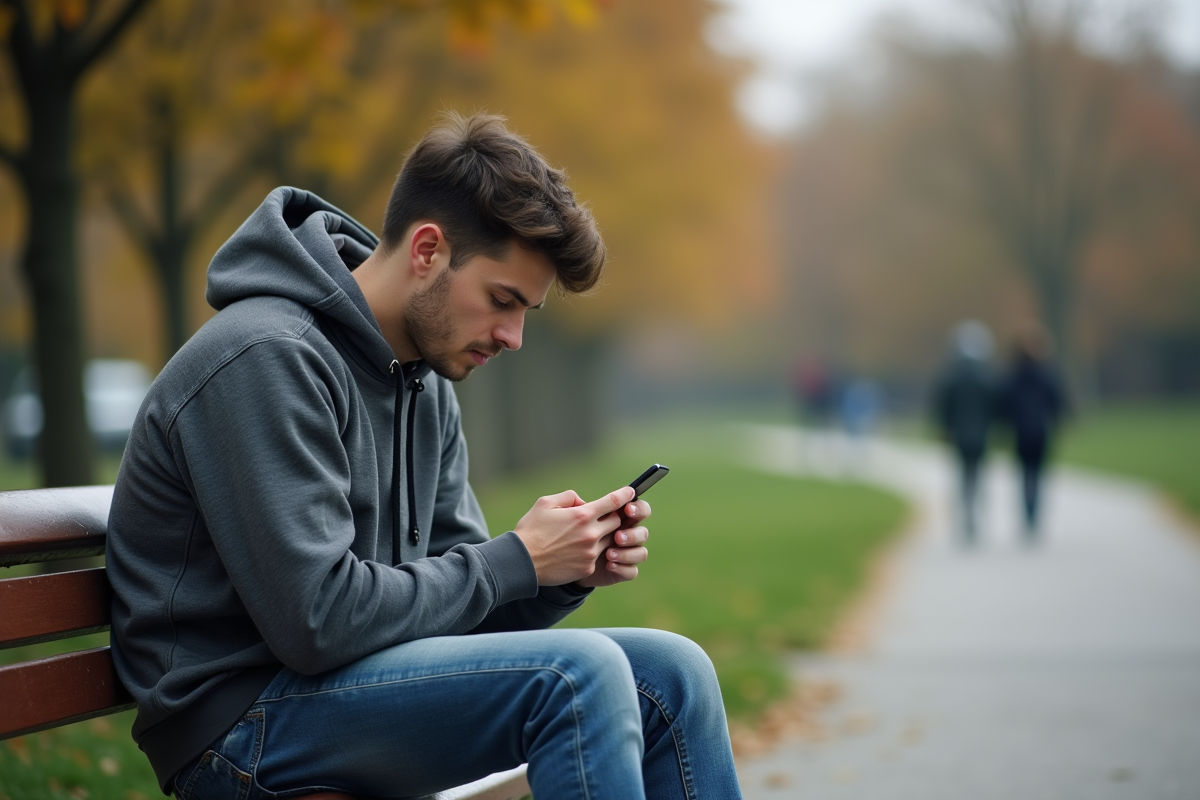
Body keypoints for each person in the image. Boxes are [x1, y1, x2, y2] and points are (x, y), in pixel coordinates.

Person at [105, 113, 741, 800]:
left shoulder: (424, 378)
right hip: (238, 726)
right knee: (576, 677)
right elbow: (317, 622)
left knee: (674, 673)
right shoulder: (265, 357)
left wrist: (559, 571)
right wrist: (515, 559)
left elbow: (460, 605)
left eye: (527, 311)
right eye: (503, 300)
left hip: (346, 686)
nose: (513, 336)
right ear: (428, 250)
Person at [995, 323, 1066, 542]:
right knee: (1033, 475)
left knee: (1028, 475)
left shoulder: (1014, 373)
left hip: (1025, 432)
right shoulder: (1045, 372)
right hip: (1035, 431)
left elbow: (1004, 403)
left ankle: (1030, 515)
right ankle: (1031, 515)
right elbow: (1057, 401)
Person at [932, 320, 997, 543]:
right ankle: (974, 512)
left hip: (959, 435)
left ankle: (967, 512)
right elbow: (994, 407)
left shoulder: (951, 378)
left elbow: (943, 408)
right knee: (977, 474)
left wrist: (944, 430)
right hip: (980, 434)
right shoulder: (986, 378)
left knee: (962, 475)